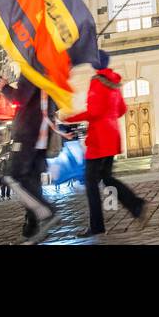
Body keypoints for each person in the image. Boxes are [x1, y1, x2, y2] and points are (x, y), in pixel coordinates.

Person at [62, 57, 146, 237]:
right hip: (112, 136)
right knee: (106, 178)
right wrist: (109, 113)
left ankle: (97, 225)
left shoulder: (96, 82)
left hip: (99, 140)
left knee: (91, 182)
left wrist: (69, 118)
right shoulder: (114, 82)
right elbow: (122, 110)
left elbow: (93, 112)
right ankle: (135, 204)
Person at [0, 72, 58, 244]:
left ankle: (46, 211)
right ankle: (32, 229)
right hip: (41, 131)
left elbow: (20, 98)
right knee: (32, 179)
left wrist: (5, 88)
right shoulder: (47, 67)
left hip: (28, 131)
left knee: (13, 176)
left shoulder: (31, 66)